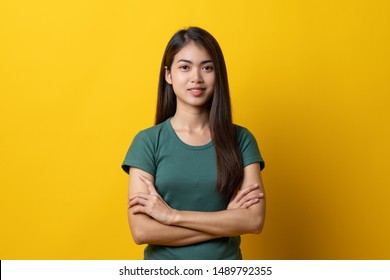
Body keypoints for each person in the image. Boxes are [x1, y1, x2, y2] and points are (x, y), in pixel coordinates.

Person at [121, 26, 266, 260]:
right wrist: (225, 222)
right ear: (168, 75)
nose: (196, 78)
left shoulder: (242, 140)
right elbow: (142, 230)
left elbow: (254, 220)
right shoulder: (147, 142)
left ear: (218, 74)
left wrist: (172, 216)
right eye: (185, 67)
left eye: (207, 68)